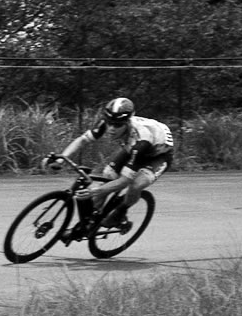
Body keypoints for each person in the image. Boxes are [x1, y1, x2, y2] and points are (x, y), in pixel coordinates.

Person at [45, 97, 174, 230]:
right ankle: (89, 224)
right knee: (108, 175)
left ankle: (121, 212)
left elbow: (125, 180)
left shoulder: (142, 139)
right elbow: (83, 140)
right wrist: (61, 158)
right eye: (109, 123)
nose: (111, 128)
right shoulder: (108, 122)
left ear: (128, 122)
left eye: (117, 125)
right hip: (132, 146)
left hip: (158, 155)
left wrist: (95, 191)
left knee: (136, 185)